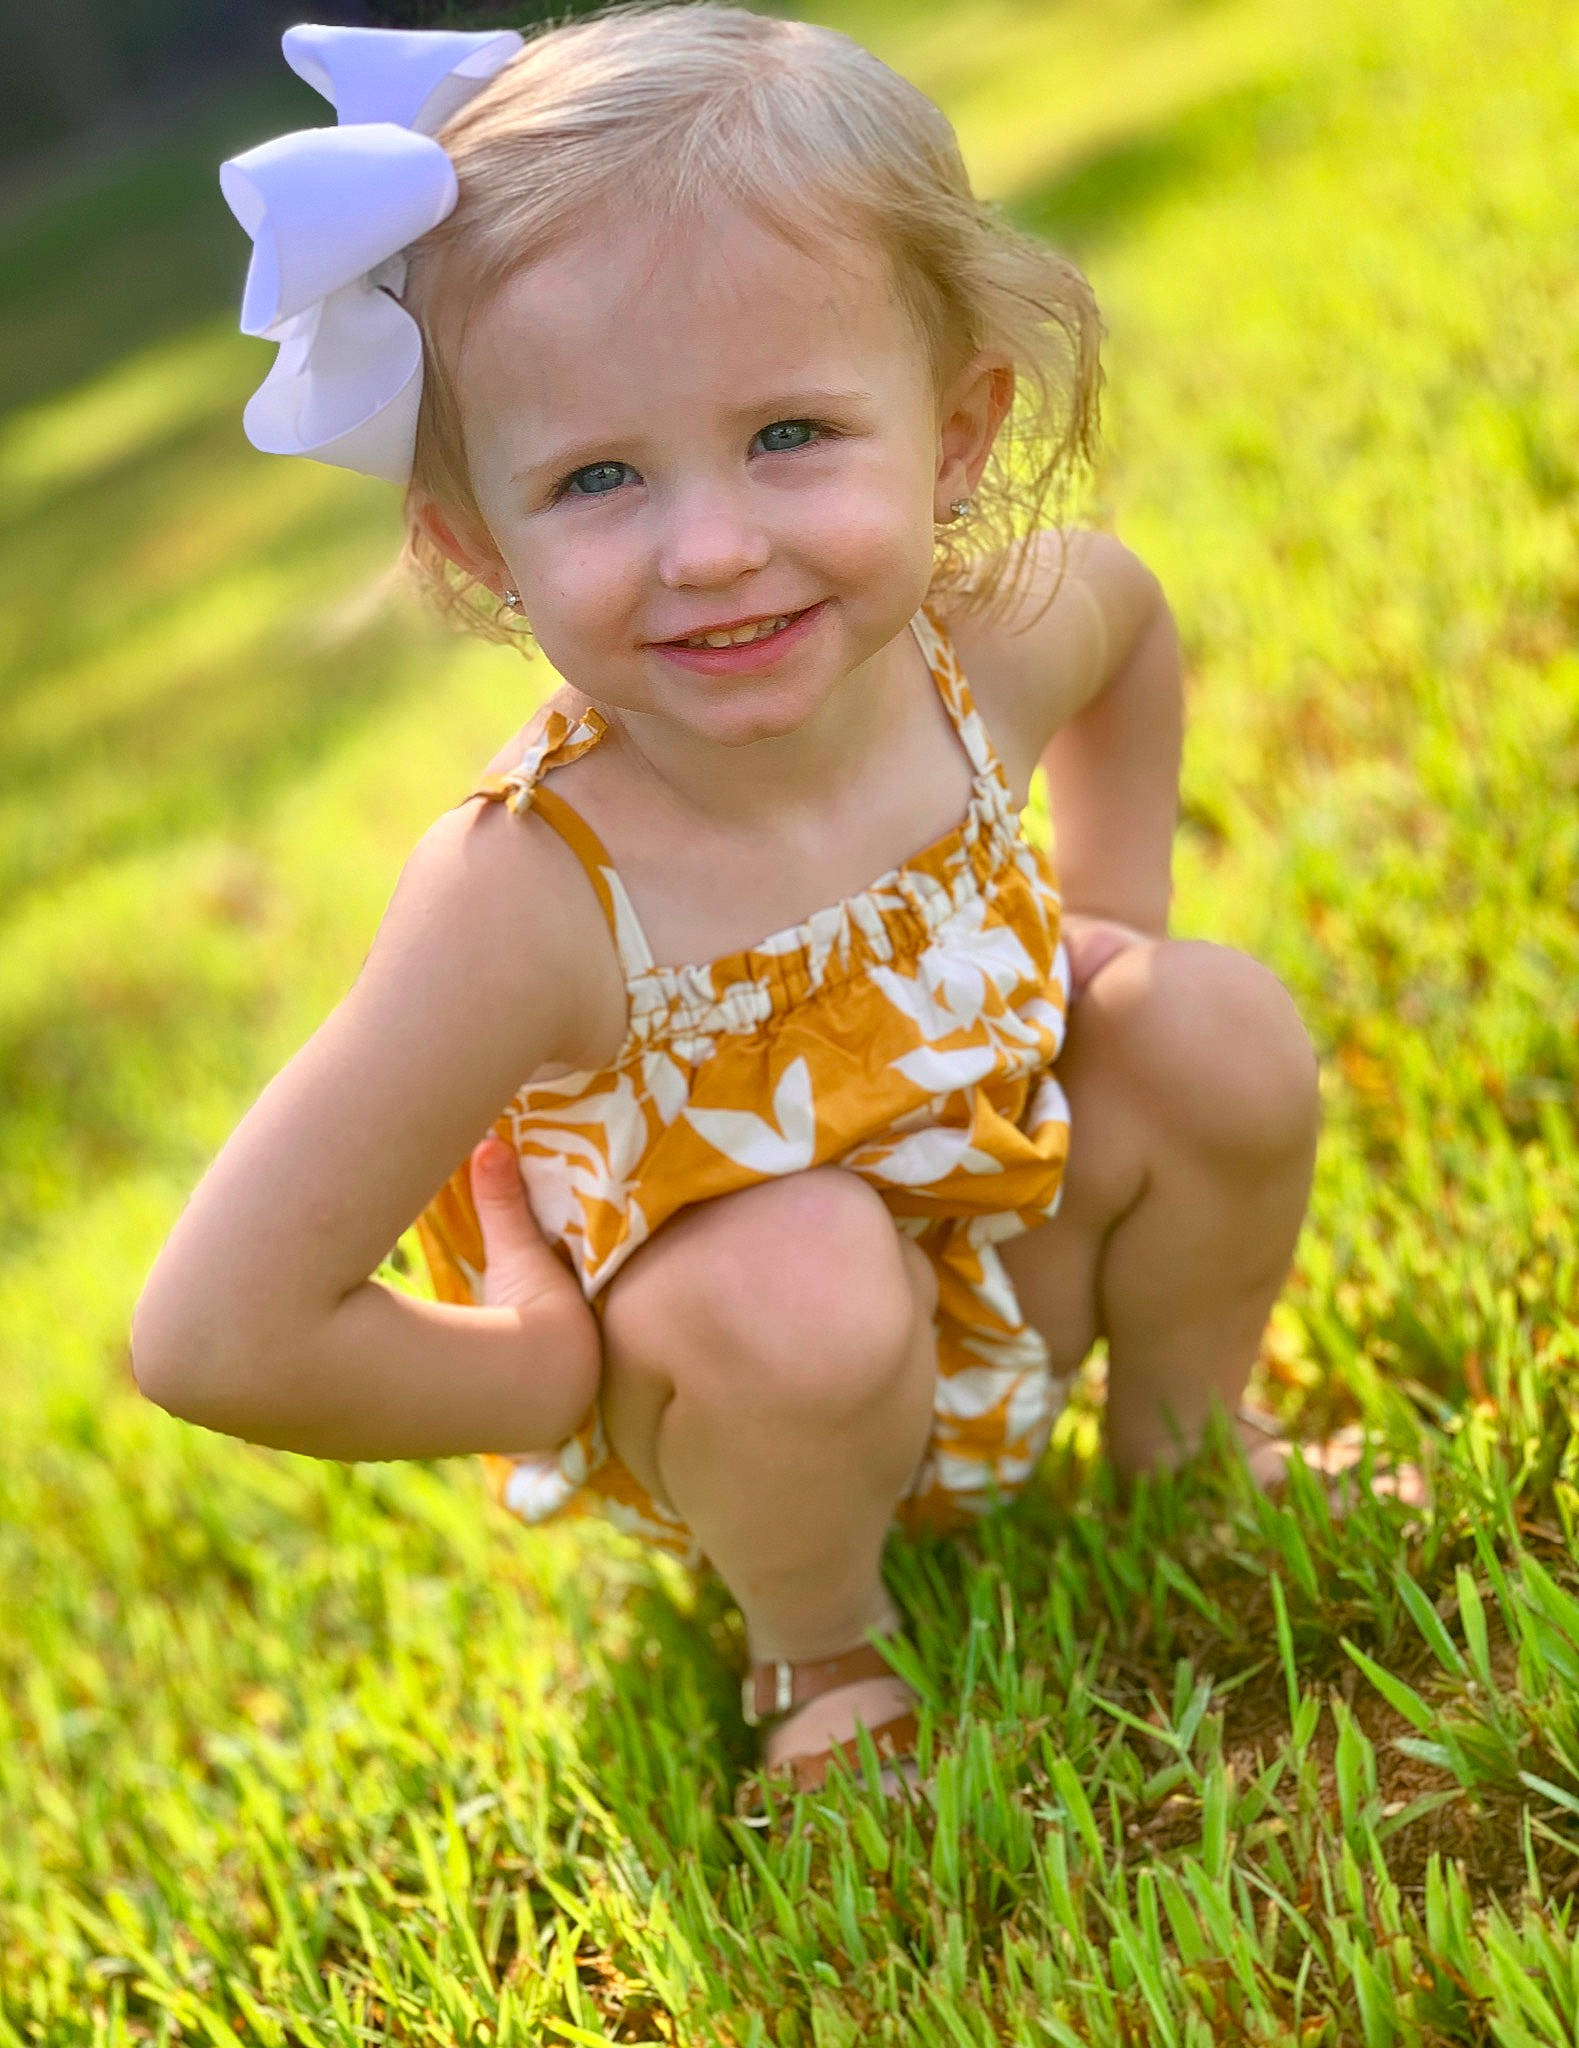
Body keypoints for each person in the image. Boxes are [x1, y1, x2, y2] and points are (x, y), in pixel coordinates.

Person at [131, 6, 1383, 1821]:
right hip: (746, 1395)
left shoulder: (994, 648)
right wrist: (534, 1376)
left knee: (1212, 1022)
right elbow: (210, 1331)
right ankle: (822, 1646)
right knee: (794, 1272)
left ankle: (1188, 1455)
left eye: (790, 433)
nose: (710, 547)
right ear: (478, 545)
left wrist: (1111, 916)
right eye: (598, 478)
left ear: (954, 437)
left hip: (999, 1265)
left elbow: (1131, 627)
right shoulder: (530, 893)